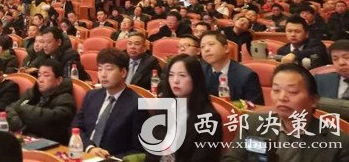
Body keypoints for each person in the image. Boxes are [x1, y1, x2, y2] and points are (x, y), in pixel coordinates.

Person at [221, 63, 349, 162]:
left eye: (292, 92)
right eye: (276, 90)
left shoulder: (339, 142)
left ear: (313, 100)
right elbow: (231, 159)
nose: (282, 97)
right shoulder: (252, 124)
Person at [72, 48, 148, 158]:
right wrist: (90, 148)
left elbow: (139, 150)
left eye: (109, 69)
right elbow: (76, 127)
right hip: (85, 153)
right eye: (99, 69)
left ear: (123, 72)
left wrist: (109, 158)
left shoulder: (137, 104)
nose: (103, 75)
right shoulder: (92, 95)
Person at [145, 54, 222, 162]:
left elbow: (202, 158)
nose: (175, 80)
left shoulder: (209, 117)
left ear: (195, 79)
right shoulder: (164, 107)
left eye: (182, 75)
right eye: (171, 75)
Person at [5, 59, 76, 144]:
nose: (40, 80)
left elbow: (49, 121)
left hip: (49, 144)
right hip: (25, 137)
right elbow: (10, 108)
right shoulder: (32, 92)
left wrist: (22, 109)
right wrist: (22, 127)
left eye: (46, 76)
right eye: (39, 75)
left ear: (59, 80)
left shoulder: (65, 99)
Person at [200, 31, 264, 104]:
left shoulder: (247, 76)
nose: (206, 49)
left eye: (211, 44)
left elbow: (255, 107)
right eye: (202, 47)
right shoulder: (200, 73)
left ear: (226, 48)